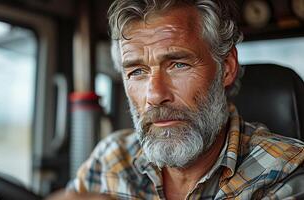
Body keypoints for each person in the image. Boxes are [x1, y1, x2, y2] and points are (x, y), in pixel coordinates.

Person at [50, 0, 304, 199]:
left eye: (178, 65)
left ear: (226, 67)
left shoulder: (285, 171)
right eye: (137, 72)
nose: (155, 96)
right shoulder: (111, 159)